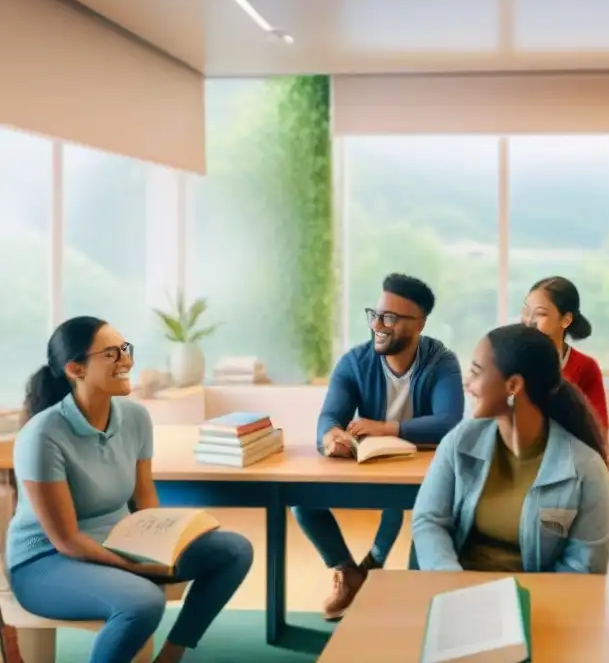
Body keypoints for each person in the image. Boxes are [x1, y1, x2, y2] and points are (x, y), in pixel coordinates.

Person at [7, 317, 253, 663]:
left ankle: (171, 655)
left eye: (125, 349)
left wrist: (165, 543)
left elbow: (145, 500)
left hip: (118, 544)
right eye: (111, 354)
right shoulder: (42, 435)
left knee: (233, 550)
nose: (127, 361)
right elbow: (67, 540)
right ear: (76, 368)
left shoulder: (136, 417)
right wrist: (136, 568)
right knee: (143, 601)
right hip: (47, 563)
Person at [292, 274, 464, 619]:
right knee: (301, 499)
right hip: (376, 463)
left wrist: (386, 428)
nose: (378, 325)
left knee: (424, 518)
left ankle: (407, 590)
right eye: (376, 314)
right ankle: (350, 572)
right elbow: (329, 417)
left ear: (420, 324)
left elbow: (449, 421)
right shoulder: (354, 362)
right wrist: (330, 437)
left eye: (392, 318)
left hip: (427, 471)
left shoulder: (441, 361)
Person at [412, 323, 609, 574]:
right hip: (460, 592)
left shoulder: (586, 468)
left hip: (541, 604)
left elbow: (584, 565)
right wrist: (452, 581)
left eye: (476, 372)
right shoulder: (459, 442)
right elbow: (429, 521)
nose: (467, 383)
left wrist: (524, 600)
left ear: (513, 386)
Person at [521, 276, 608, 430]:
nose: (529, 321)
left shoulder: (585, 367)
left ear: (566, 320)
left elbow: (599, 431)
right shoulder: (511, 359)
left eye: (540, 314)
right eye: (526, 312)